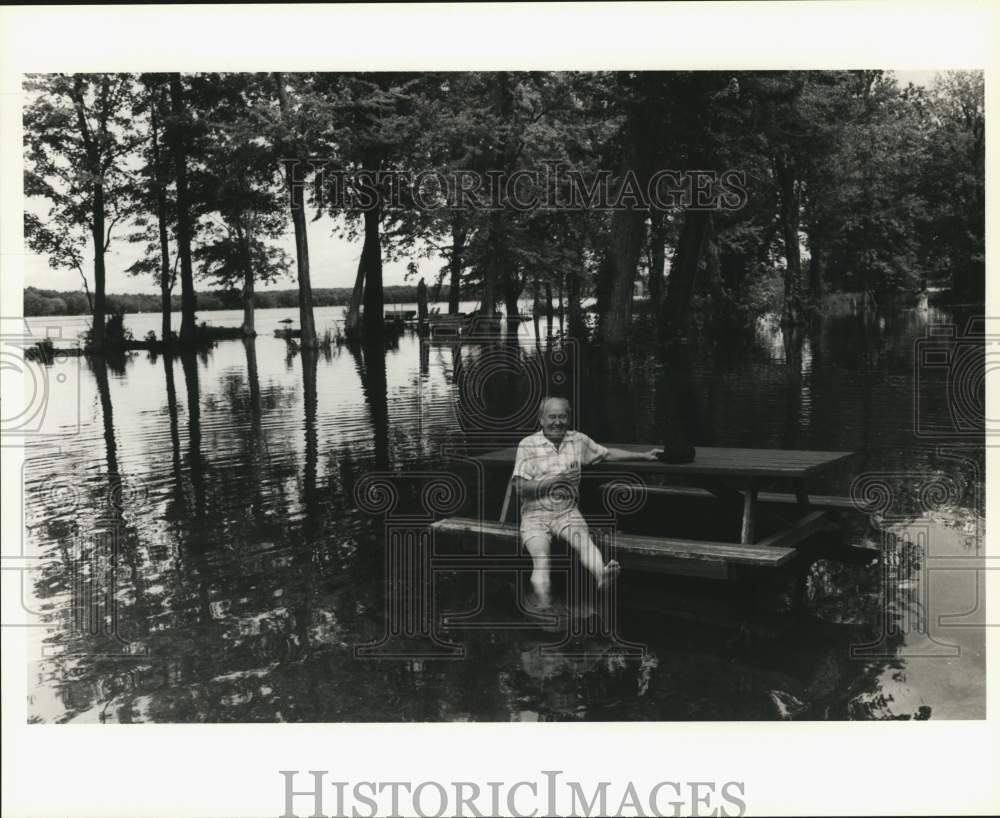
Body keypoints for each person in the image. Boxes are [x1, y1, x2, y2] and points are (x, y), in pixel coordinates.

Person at [512, 397, 662, 608]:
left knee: (584, 542)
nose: (557, 422)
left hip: (567, 511)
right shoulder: (527, 445)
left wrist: (643, 456)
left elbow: (607, 454)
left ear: (569, 417)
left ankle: (603, 575)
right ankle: (544, 605)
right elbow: (520, 488)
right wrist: (557, 481)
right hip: (534, 514)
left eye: (562, 416)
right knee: (542, 558)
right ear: (541, 419)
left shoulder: (578, 441)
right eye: (552, 417)